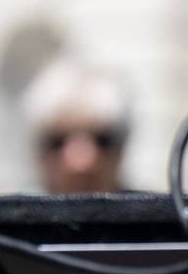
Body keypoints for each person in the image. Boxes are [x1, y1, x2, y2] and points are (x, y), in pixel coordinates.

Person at [22, 58, 132, 194]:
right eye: (58, 142)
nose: (80, 163)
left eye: (101, 141)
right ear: (37, 152)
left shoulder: (156, 212)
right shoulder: (8, 213)